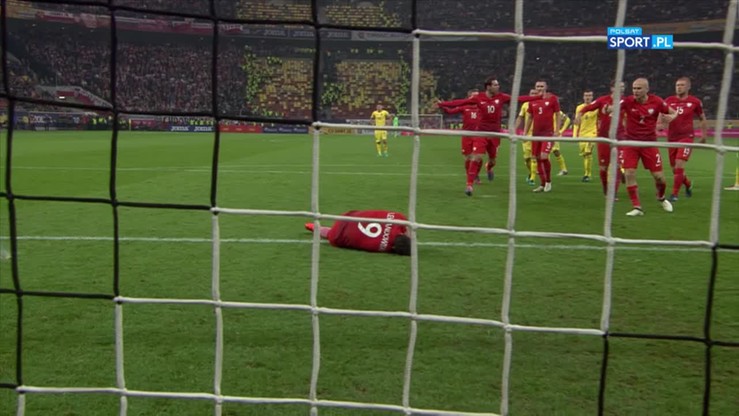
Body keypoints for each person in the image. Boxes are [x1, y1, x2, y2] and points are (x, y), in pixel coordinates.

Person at [439, 75, 542, 196]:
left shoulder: (501, 97)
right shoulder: (479, 98)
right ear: (488, 87)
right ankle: (469, 185)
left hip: (495, 134)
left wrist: (538, 97)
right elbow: (461, 102)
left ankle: (489, 167)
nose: (498, 86)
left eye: (498, 84)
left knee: (492, 160)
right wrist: (443, 104)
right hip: (481, 133)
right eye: (495, 85)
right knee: (476, 157)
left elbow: (518, 99)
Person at [619, 78, 678, 216]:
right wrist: (608, 109)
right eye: (634, 88)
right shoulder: (628, 101)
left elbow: (674, 112)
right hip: (631, 143)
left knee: (659, 177)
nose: (635, 91)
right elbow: (614, 107)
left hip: (649, 144)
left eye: (639, 88)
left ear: (647, 89)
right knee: (629, 173)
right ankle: (637, 207)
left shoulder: (656, 101)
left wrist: (672, 117)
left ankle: (661, 197)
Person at [576, 80, 626, 197]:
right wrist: (579, 114)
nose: (621, 89)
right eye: (619, 86)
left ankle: (613, 193)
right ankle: (605, 189)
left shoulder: (626, 101)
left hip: (619, 138)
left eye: (623, 87)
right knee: (603, 168)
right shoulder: (602, 100)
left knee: (616, 166)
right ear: (612, 88)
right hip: (603, 138)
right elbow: (588, 107)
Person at [661, 77, 708, 202]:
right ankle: (687, 184)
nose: (679, 87)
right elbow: (661, 114)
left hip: (687, 138)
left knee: (679, 164)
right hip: (672, 138)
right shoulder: (669, 100)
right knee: (674, 169)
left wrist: (704, 135)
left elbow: (702, 118)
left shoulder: (695, 102)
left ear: (688, 87)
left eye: (682, 85)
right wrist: (661, 123)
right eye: (677, 85)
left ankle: (674, 195)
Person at [304, 210, 411, 255]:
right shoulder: (384, 248)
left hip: (347, 217)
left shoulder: (399, 218)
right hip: (336, 235)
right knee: (333, 234)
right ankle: (317, 229)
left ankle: (319, 228)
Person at [439, 89, 484, 183]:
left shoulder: (482, 107)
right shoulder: (464, 107)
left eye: (478, 95)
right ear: (469, 97)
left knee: (478, 158)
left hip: (479, 135)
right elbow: (450, 111)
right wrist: (442, 106)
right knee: (468, 158)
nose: (476, 97)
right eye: (474, 96)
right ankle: (470, 176)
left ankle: (475, 174)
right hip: (466, 135)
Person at [523, 88, 562, 193]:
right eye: (538, 86)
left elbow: (558, 114)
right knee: (537, 158)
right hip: (536, 134)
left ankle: (548, 181)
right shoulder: (532, 101)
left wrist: (557, 130)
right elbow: (530, 117)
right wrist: (525, 133)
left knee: (544, 156)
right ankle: (542, 183)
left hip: (548, 134)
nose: (539, 88)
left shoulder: (552, 98)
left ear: (545, 87)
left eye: (541, 86)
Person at [514, 89, 540, 185]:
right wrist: (514, 129)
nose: (533, 95)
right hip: (527, 135)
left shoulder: (541, 104)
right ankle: (532, 172)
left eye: (535, 94)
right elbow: (520, 117)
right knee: (527, 159)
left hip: (537, 135)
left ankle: (532, 178)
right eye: (532, 93)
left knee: (534, 157)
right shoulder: (525, 105)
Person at [573, 90, 599, 182]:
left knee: (588, 152)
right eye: (586, 95)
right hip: (582, 134)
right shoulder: (579, 108)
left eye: (589, 95)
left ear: (592, 97)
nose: (588, 97)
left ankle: (587, 175)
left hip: (592, 134)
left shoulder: (596, 108)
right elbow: (576, 123)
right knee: (585, 155)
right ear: (583, 97)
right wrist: (574, 135)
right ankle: (587, 173)